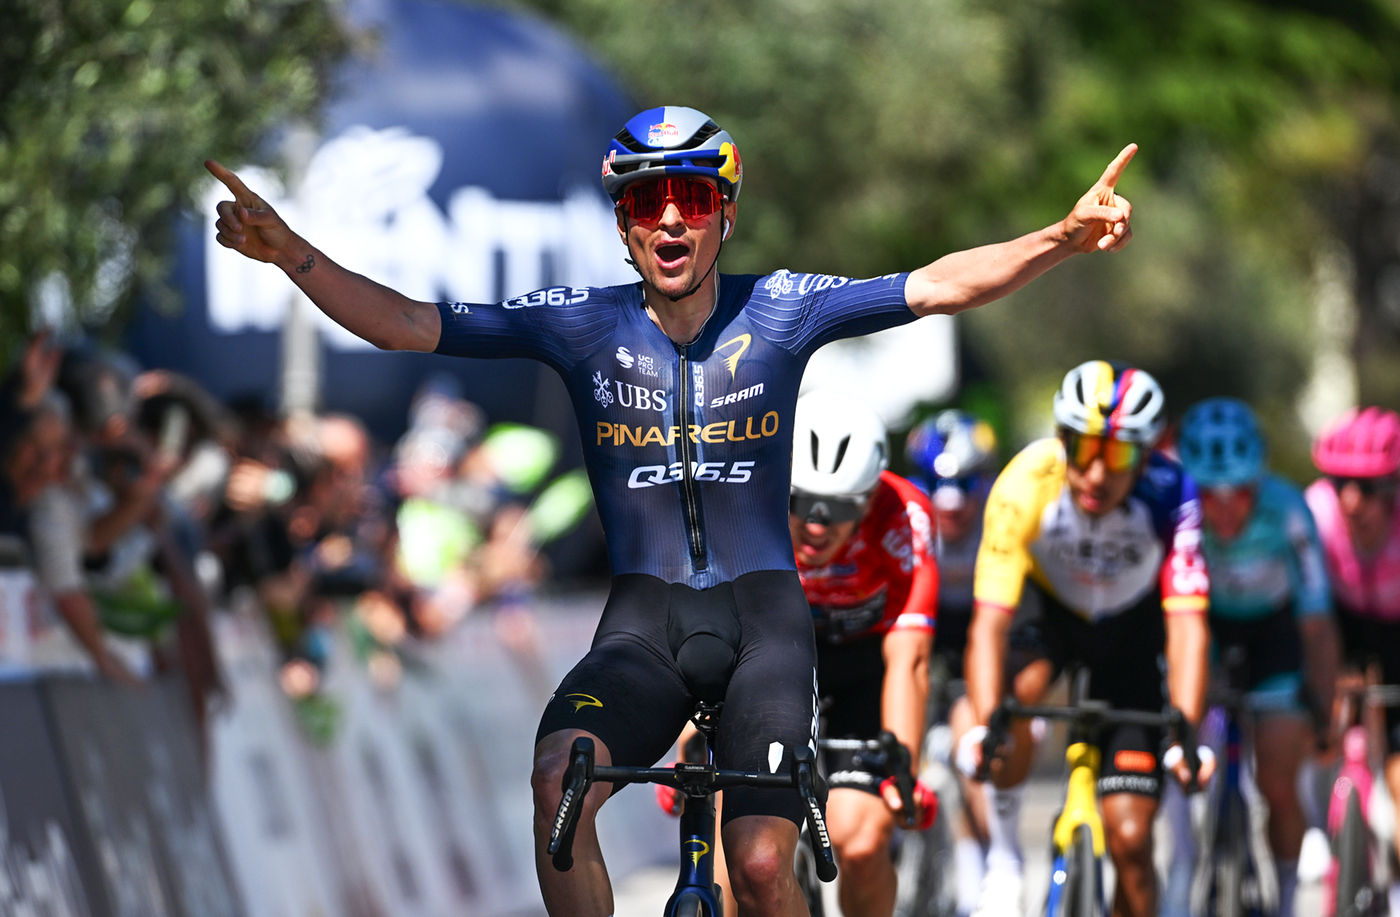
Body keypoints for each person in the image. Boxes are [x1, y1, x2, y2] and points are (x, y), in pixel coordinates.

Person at [208, 105, 1137, 917]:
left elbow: (937, 285)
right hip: (640, 627)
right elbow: (411, 322)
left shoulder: (780, 310)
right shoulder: (579, 323)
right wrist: (291, 254)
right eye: (645, 202)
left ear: (722, 215)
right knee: (554, 782)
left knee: (766, 867)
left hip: (766, 627)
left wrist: (1058, 236)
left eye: (689, 199)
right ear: (622, 223)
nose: (667, 219)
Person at [957, 361, 1213, 917]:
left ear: (1145, 457)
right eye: (1083, 448)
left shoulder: (1173, 495)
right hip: (1053, 621)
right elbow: (989, 623)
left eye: (1118, 454)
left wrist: (1186, 729)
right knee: (1008, 706)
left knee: (1131, 841)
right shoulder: (1024, 483)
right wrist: (983, 723)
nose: (1097, 473)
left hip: (1131, 635)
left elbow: (1188, 624)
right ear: (1061, 440)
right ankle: (1004, 860)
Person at [1173, 397, 1336, 917]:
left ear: (1258, 484)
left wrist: (1325, 709)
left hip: (1274, 635)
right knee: (1177, 747)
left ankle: (1287, 900)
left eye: (1238, 492)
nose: (1223, 509)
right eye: (1208, 494)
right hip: (1204, 627)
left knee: (1277, 782)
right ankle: (1180, 874)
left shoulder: (1289, 510)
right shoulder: (1176, 508)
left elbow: (1316, 621)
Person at [789, 390, 938, 917]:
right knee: (732, 842)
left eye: (840, 510)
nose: (815, 525)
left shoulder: (905, 517)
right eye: (800, 502)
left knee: (861, 842)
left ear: (870, 499)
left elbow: (910, 657)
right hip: (780, 660)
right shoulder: (750, 498)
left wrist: (904, 763)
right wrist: (693, 737)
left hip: (867, 671)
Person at [1304, 406, 1400, 916]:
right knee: (1318, 730)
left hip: (1396, 630)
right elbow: (1305, 617)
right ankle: (1322, 828)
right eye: (1339, 482)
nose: (1350, 500)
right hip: (1337, 622)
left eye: (1367, 488)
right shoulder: (1314, 515)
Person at [904, 410, 1000, 915]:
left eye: (965, 483)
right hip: (925, 627)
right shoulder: (905, 519)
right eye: (938, 483)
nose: (952, 501)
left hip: (980, 632)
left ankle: (988, 868)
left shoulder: (997, 520)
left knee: (972, 743)